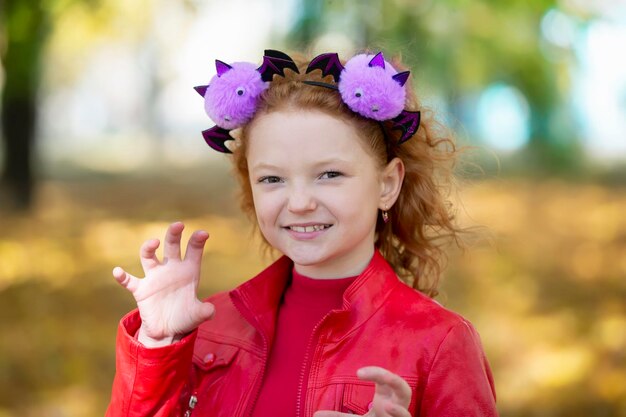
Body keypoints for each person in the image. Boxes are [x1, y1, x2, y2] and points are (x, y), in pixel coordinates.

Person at [106, 49, 498, 417]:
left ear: (387, 184)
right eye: (272, 178)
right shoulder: (210, 326)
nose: (298, 202)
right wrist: (158, 348)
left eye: (329, 175)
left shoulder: (440, 342)